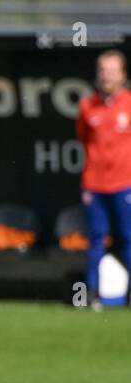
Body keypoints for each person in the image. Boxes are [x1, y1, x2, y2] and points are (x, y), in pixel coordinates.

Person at [75, 49, 131, 309]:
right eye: (102, 70)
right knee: (96, 239)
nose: (105, 76)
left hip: (125, 184)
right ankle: (92, 295)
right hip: (95, 184)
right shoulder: (88, 106)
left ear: (123, 75)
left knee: (128, 237)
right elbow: (84, 139)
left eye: (111, 71)